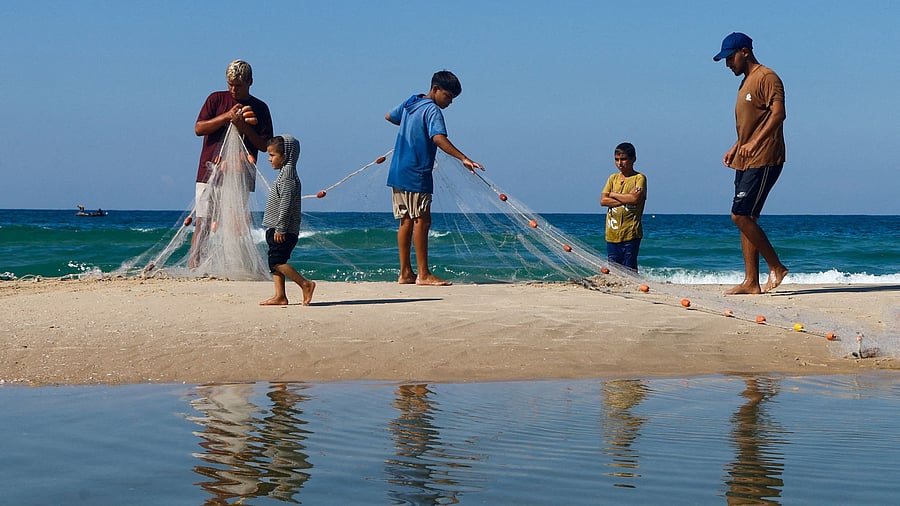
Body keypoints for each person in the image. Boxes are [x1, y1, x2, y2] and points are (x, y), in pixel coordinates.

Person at [384, 70, 484, 286]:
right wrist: (463, 158)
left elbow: (390, 116)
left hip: (398, 170)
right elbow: (438, 138)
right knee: (422, 220)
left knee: (406, 221)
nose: (449, 102)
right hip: (417, 172)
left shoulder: (413, 102)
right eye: (448, 96)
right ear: (435, 90)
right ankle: (424, 274)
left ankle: (405, 273)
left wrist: (411, 130)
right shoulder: (432, 110)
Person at [714, 32, 790, 295]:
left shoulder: (767, 77)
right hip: (745, 159)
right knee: (748, 217)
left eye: (730, 58)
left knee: (740, 215)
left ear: (745, 51)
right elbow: (751, 125)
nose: (728, 64)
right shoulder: (745, 82)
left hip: (765, 157)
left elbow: (779, 113)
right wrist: (736, 147)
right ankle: (751, 282)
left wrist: (756, 144)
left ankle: (777, 267)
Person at [190, 59, 274, 268]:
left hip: (240, 174)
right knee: (203, 221)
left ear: (250, 82)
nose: (233, 89)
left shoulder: (260, 108)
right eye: (230, 84)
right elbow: (199, 128)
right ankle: (194, 265)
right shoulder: (216, 99)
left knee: (236, 222)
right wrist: (227, 116)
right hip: (209, 171)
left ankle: (235, 265)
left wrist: (243, 127)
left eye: (238, 85)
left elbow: (264, 145)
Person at [259, 135, 316, 306]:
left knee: (277, 262)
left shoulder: (288, 177)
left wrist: (281, 228)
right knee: (274, 262)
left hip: (283, 229)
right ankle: (280, 296)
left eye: (272, 155)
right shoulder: (284, 174)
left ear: (285, 156)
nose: (269, 160)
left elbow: (286, 205)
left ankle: (305, 284)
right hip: (275, 227)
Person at [600, 142, 647, 271]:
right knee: (614, 267)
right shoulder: (612, 178)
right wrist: (626, 199)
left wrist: (614, 195)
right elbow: (603, 200)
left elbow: (635, 198)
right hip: (612, 232)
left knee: (629, 267)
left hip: (630, 232)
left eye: (623, 159)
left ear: (633, 159)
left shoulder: (639, 178)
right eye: (617, 159)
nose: (620, 163)